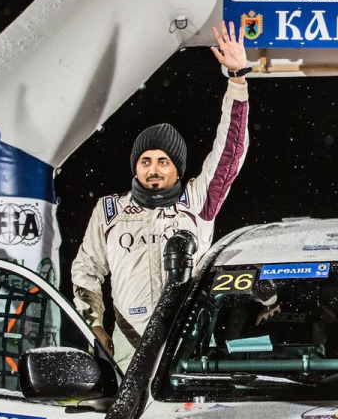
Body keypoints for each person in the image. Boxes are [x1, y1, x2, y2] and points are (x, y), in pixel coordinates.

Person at [72, 20, 252, 367]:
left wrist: (237, 81)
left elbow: (230, 152)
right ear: (135, 167)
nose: (153, 169)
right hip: (128, 346)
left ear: (177, 169)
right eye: (145, 161)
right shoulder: (109, 210)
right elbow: (86, 270)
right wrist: (94, 325)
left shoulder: (197, 201)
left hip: (188, 344)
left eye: (163, 161)